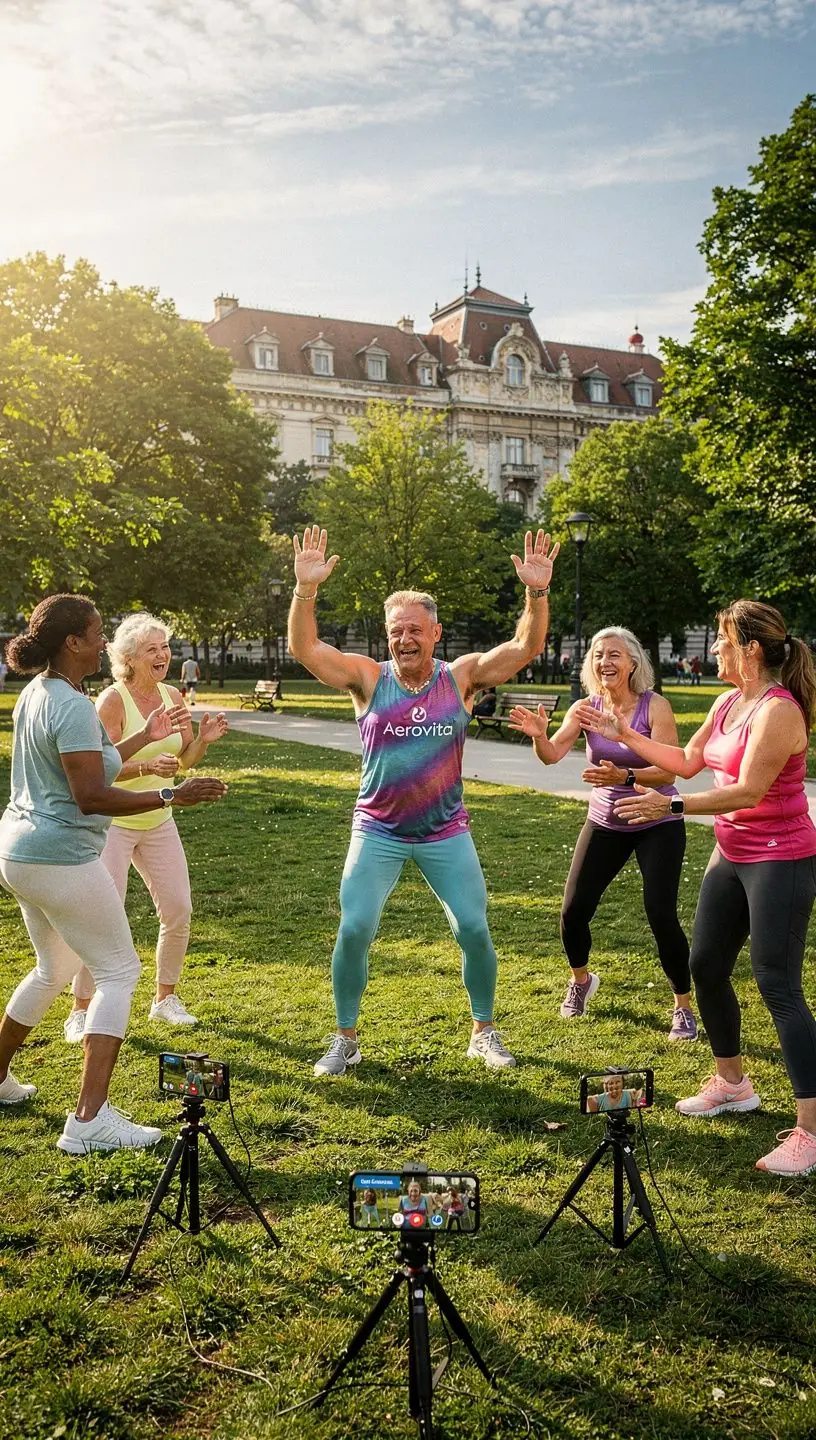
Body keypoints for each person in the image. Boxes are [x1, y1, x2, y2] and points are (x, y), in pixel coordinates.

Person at [288, 523, 559, 1076]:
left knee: (474, 928)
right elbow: (306, 648)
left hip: (444, 831)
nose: (404, 638)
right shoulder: (368, 678)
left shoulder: (459, 678)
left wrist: (535, 592)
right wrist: (305, 590)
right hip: (378, 830)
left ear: (436, 632)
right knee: (355, 927)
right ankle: (345, 1038)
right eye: (395, 630)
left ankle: (483, 1030)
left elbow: (525, 646)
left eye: (415, 629)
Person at [578, 601, 816, 1177]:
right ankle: (733, 1082)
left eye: (722, 640)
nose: (714, 650)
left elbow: (749, 792)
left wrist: (671, 806)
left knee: (776, 983)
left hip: (780, 857)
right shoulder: (730, 701)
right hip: (731, 853)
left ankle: (811, 1132)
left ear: (751, 649)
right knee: (705, 964)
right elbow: (685, 761)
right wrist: (621, 738)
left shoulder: (778, 712)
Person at [0, 594, 227, 1152]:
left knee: (52, 968)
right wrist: (176, 792)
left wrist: (145, 738)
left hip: (19, 852)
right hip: (60, 856)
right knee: (119, 971)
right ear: (72, 642)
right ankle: (88, 1121)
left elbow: (89, 758)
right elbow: (91, 795)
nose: (104, 642)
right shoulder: (75, 703)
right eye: (98, 633)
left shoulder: (40, 692)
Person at [509, 627, 697, 1040]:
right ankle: (580, 981)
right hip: (606, 821)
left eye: (614, 654)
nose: (605, 662)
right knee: (573, 910)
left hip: (656, 819)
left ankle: (683, 1006)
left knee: (661, 914)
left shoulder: (655, 707)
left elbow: (669, 769)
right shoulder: (584, 709)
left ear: (633, 662)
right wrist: (541, 737)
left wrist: (624, 775)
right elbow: (552, 755)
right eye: (597, 655)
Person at [62, 613, 229, 1042]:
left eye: (165, 647)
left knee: (178, 909)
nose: (163, 654)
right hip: (113, 824)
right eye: (153, 648)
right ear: (130, 658)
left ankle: (164, 999)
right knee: (102, 916)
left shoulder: (173, 695)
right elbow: (98, 771)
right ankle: (81, 1008)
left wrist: (204, 739)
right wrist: (147, 766)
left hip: (159, 821)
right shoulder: (112, 701)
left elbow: (184, 760)